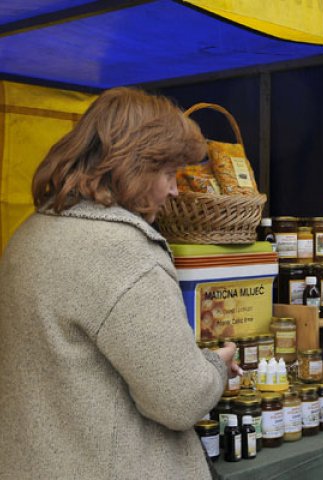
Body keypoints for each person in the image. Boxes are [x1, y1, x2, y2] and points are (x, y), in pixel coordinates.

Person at [0, 87, 239, 479]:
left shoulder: (30, 233)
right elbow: (180, 399)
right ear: (133, 166)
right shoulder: (125, 253)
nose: (175, 190)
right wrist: (215, 366)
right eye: (167, 173)